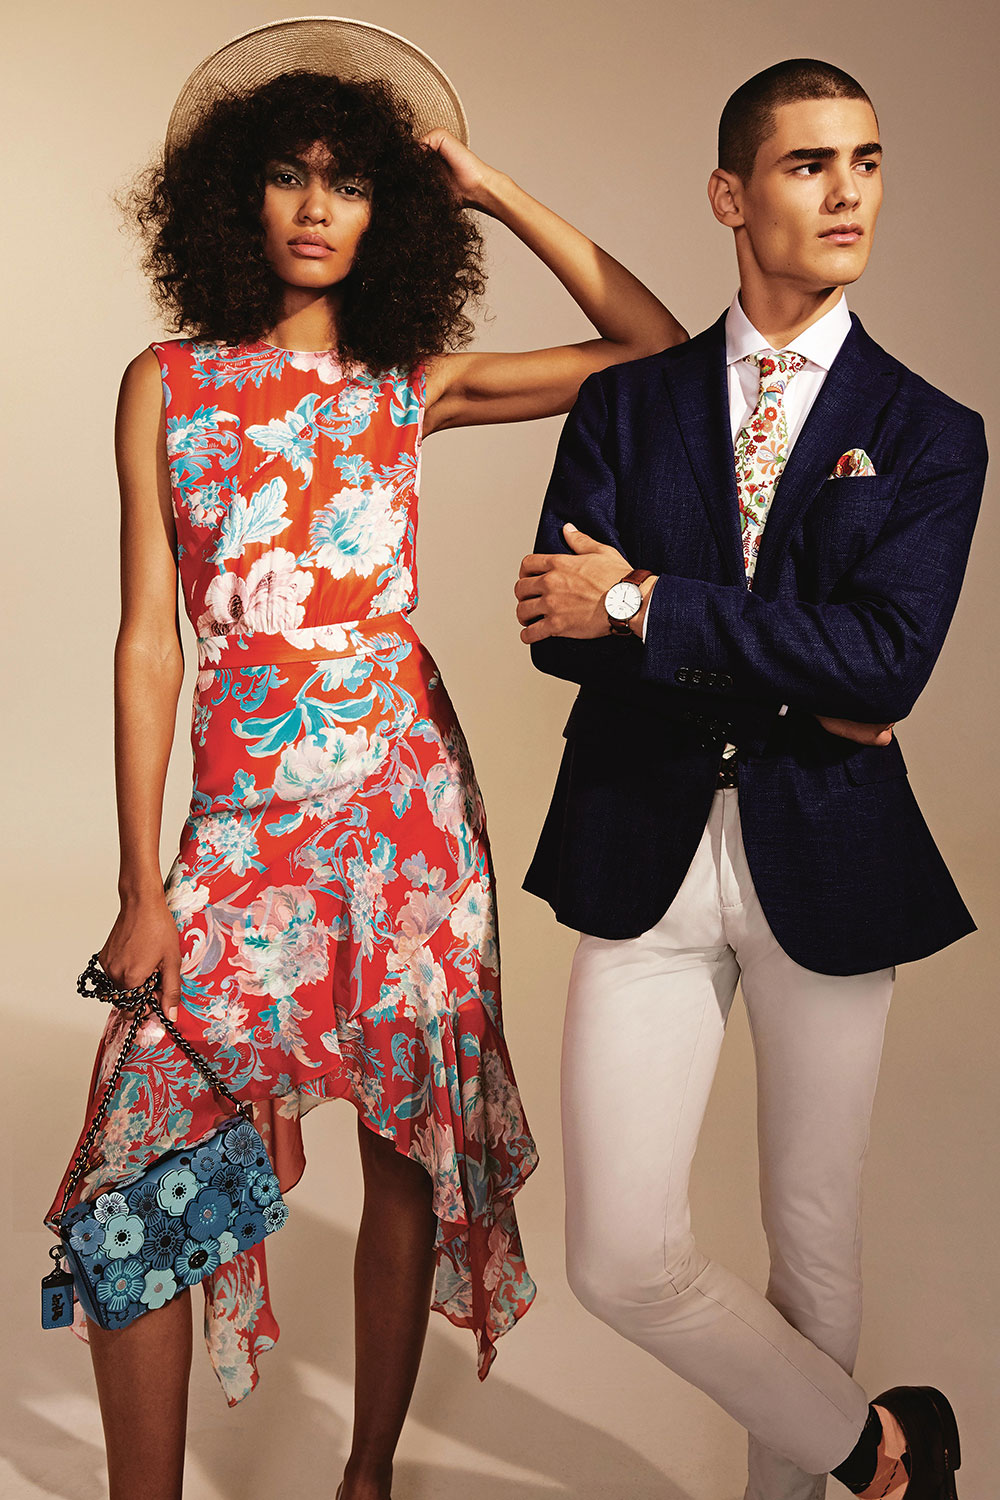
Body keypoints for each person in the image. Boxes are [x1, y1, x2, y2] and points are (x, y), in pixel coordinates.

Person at [44, 18, 686, 1500]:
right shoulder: (168, 382)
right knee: (139, 1163)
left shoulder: (412, 384)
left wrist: (492, 188)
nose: (317, 208)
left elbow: (658, 355)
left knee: (406, 1145)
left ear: (389, 212)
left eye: (351, 183)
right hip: (244, 828)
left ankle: (368, 1479)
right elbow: (151, 644)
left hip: (407, 811)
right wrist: (145, 887)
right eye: (289, 176)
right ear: (236, 199)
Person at [516, 57, 985, 1500]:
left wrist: (649, 605)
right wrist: (797, 667)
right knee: (618, 1256)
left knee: (812, 1244)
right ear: (731, 194)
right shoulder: (626, 404)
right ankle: (884, 1453)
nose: (848, 192)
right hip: (640, 844)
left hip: (830, 854)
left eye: (867, 161)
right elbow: (557, 632)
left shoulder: (931, 432)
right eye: (807, 163)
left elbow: (886, 667)